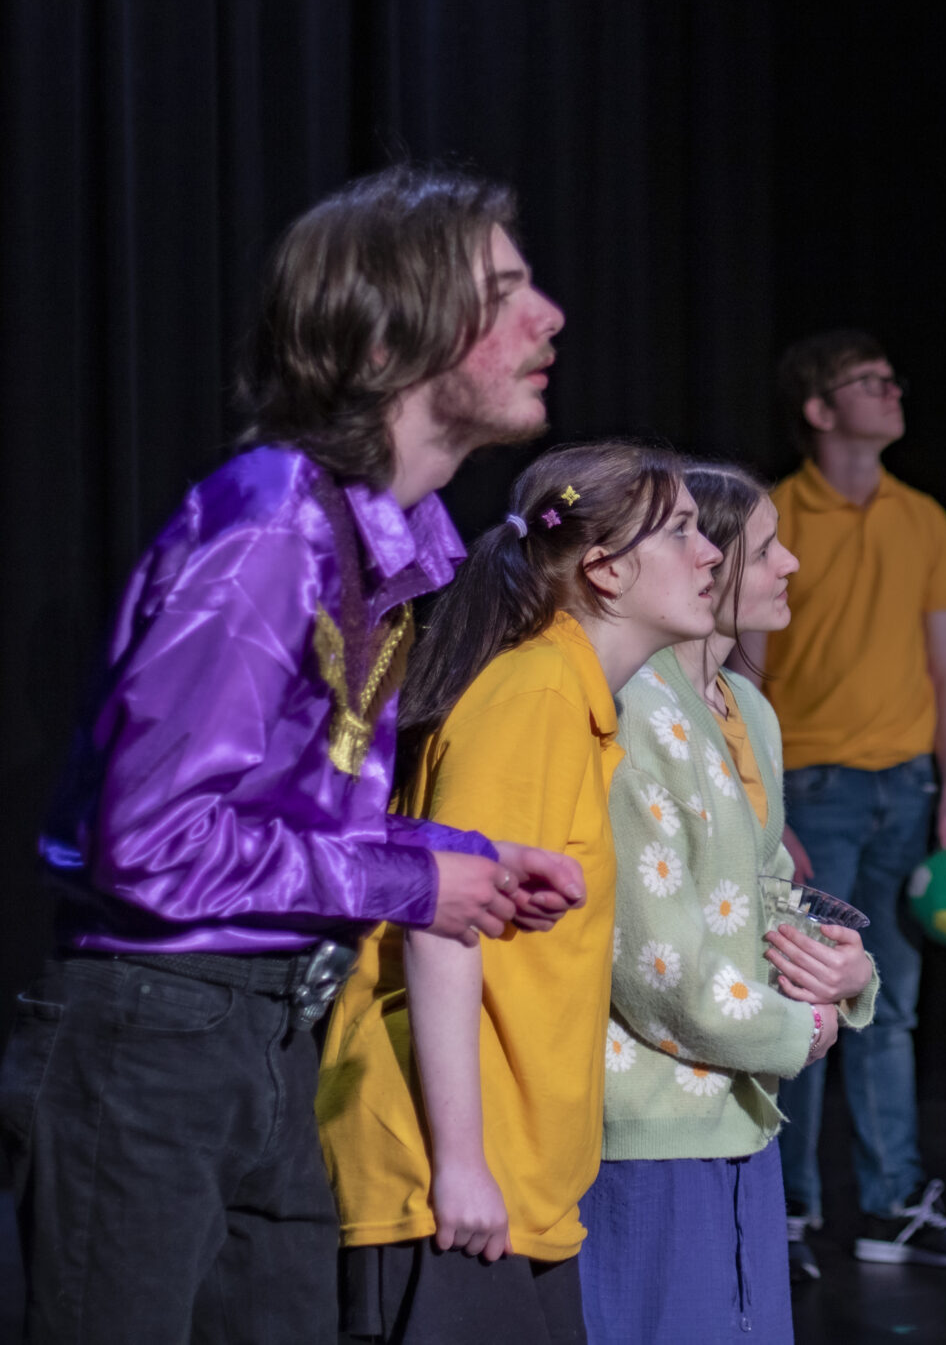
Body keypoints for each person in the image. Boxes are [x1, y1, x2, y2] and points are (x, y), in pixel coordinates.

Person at [0, 166, 586, 1345]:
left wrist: (456, 856)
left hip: (266, 1032)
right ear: (382, 344)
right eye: (503, 292)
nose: (550, 316)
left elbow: (291, 822)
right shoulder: (272, 524)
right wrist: (417, 883)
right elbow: (152, 842)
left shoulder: (387, 543)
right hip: (152, 1039)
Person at [319, 442, 722, 1344]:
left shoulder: (570, 697)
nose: (713, 553)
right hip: (448, 1175)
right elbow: (439, 919)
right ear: (606, 571)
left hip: (513, 1170)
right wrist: (461, 1166)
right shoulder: (535, 693)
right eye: (685, 531)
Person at [583, 462, 882, 1343]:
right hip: (649, 1118)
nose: (789, 565)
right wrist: (805, 1030)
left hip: (738, 1113)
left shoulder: (747, 705)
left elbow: (760, 890)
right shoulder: (634, 707)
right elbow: (655, 962)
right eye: (764, 550)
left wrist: (841, 967)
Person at [744, 329, 946, 1274]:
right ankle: (792, 1210)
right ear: (819, 408)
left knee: (890, 1004)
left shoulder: (922, 515)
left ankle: (889, 1204)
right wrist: (769, 809)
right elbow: (744, 669)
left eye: (893, 378)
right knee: (801, 1001)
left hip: (908, 786)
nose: (892, 392)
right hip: (812, 790)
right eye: (868, 382)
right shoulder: (773, 510)